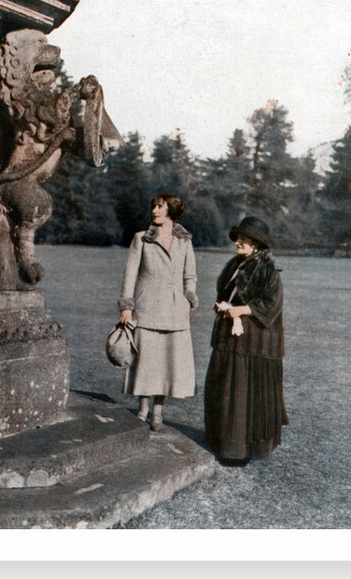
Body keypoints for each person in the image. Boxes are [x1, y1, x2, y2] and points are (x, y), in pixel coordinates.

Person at [204, 216, 288, 466]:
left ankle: (238, 450)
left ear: (257, 244)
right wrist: (223, 306)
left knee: (242, 395)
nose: (238, 242)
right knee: (226, 391)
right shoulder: (234, 265)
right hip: (229, 340)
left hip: (254, 343)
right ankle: (223, 442)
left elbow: (271, 306)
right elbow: (225, 292)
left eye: (244, 239)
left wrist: (238, 311)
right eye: (238, 238)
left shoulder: (268, 270)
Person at [119, 193, 198, 431]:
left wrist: (188, 299)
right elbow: (130, 275)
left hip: (175, 312)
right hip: (147, 310)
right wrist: (126, 306)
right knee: (146, 362)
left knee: (167, 363)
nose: (154, 210)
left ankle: (158, 413)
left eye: (160, 206)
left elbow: (190, 275)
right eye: (153, 205)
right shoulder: (141, 239)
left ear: (171, 211)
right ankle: (143, 410)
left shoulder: (184, 241)